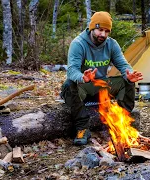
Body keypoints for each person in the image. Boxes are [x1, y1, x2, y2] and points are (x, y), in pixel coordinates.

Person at [61, 11, 143, 146]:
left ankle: (122, 123)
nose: (103, 35)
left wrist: (129, 74)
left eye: (106, 31)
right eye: (100, 30)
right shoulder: (79, 43)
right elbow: (71, 71)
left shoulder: (111, 44)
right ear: (92, 27)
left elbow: (123, 64)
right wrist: (82, 77)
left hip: (100, 87)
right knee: (69, 85)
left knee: (126, 81)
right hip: (82, 87)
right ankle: (82, 128)